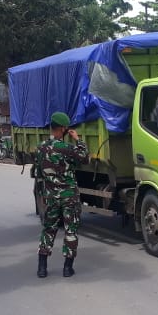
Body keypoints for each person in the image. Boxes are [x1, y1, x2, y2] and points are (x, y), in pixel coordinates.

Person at [34, 111, 90, 278]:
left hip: (51, 196)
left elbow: (39, 174)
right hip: (69, 197)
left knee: (48, 230)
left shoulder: (41, 148)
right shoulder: (67, 148)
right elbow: (85, 158)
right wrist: (78, 140)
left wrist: (43, 194)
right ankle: (67, 268)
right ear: (64, 128)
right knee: (70, 230)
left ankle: (42, 268)